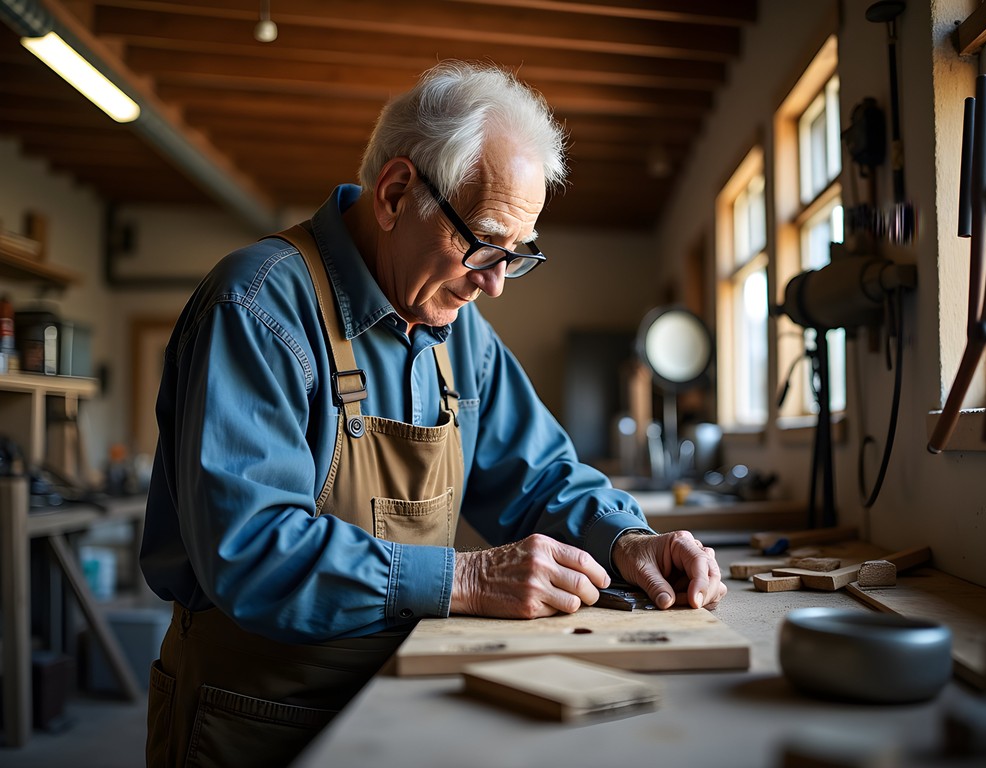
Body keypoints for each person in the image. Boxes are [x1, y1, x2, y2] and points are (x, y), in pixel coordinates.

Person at [140, 60, 726, 768]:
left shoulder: (458, 331)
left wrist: (627, 540)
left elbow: (540, 479)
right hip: (255, 717)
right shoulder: (259, 309)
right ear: (394, 194)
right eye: (482, 243)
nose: (495, 284)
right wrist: (468, 579)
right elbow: (253, 552)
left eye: (517, 255)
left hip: (401, 698)